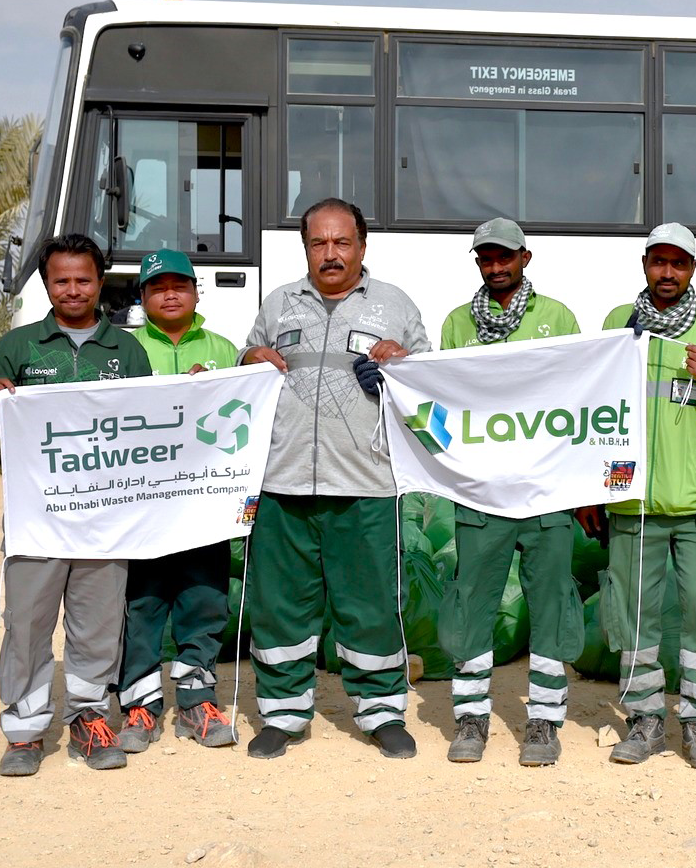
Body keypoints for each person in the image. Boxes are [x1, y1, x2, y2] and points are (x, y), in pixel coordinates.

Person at [237, 199, 430, 760]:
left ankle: (382, 712)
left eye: (341, 242)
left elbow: (432, 390)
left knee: (370, 604)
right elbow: (249, 362)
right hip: (283, 481)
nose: (330, 254)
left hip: (366, 484)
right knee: (280, 605)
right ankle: (282, 714)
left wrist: (403, 367)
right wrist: (251, 354)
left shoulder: (395, 306)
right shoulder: (278, 303)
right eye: (318, 244)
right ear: (306, 249)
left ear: (362, 247)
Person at [0, 233, 153, 775]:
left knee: (98, 622)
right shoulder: (19, 344)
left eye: (83, 279)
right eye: (60, 280)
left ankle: (88, 718)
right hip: (38, 516)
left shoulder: (128, 349)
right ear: (47, 284)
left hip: (106, 516)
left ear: (101, 283)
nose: (72, 290)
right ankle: (25, 730)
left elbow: (147, 426)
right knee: (27, 620)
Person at [593, 222, 696, 770]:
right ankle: (645, 718)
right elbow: (598, 410)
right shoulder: (618, 324)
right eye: (658, 262)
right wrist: (598, 485)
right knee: (634, 616)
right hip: (632, 500)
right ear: (645, 265)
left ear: (693, 270)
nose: (667, 273)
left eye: (678, 264)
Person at [438, 218, 584, 766]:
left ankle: (544, 721)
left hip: (546, 494)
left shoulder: (558, 318)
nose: (495, 267)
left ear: (526, 257)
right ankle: (471, 718)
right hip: (482, 494)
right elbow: (442, 394)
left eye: (504, 257)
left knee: (551, 607)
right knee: (472, 605)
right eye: (485, 259)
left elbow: (580, 394)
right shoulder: (457, 322)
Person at [116, 249, 241, 752]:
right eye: (157, 286)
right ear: (142, 297)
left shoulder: (225, 348)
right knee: (142, 604)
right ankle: (140, 708)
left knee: (204, 600)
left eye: (179, 285)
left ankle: (196, 702)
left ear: (195, 293)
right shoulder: (122, 349)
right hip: (143, 507)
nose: (170, 294)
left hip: (203, 505)